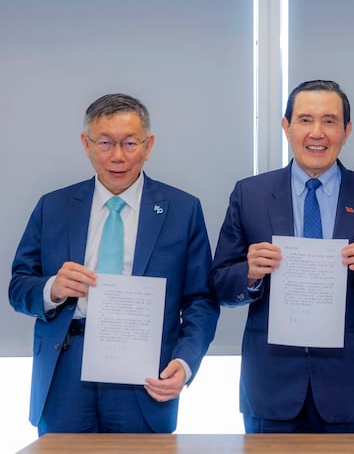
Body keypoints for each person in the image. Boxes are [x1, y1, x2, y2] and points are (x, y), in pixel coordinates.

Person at [209, 80, 354, 433]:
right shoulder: (251, 194)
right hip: (271, 387)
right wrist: (249, 274)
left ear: (346, 131)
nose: (317, 133)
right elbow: (219, 287)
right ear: (286, 126)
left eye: (330, 121)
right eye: (305, 120)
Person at [9, 93, 220, 435]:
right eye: (105, 143)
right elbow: (18, 288)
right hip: (66, 364)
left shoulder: (183, 210)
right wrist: (52, 288)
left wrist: (184, 362)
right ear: (86, 143)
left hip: (146, 368)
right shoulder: (54, 207)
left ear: (148, 145)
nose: (118, 156)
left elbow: (201, 300)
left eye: (130, 143)